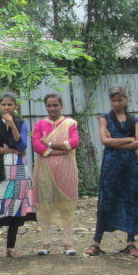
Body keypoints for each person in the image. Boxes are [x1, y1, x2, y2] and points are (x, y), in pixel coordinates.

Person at [87, 86, 138, 257]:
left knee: (131, 200)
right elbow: (105, 141)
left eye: (120, 100)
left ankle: (131, 242)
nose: (116, 103)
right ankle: (96, 242)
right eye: (113, 100)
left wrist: (117, 142)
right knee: (106, 201)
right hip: (111, 166)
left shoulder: (133, 119)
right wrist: (128, 139)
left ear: (126, 100)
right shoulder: (104, 118)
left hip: (131, 167)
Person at [0, 92, 36, 262]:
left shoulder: (21, 124)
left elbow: (22, 145)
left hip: (19, 170)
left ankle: (10, 248)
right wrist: (12, 150)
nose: (6, 108)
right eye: (4, 104)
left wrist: (12, 125)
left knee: (16, 207)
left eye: (10, 105)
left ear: (15, 106)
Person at [32, 93, 80, 256]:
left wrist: (50, 144)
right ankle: (46, 243)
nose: (52, 108)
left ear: (61, 106)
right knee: (45, 205)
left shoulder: (70, 123)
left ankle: (67, 243)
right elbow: (37, 145)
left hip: (67, 170)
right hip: (45, 170)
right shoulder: (40, 124)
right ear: (45, 107)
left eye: (55, 105)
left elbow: (74, 142)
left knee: (67, 205)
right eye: (49, 106)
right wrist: (59, 151)